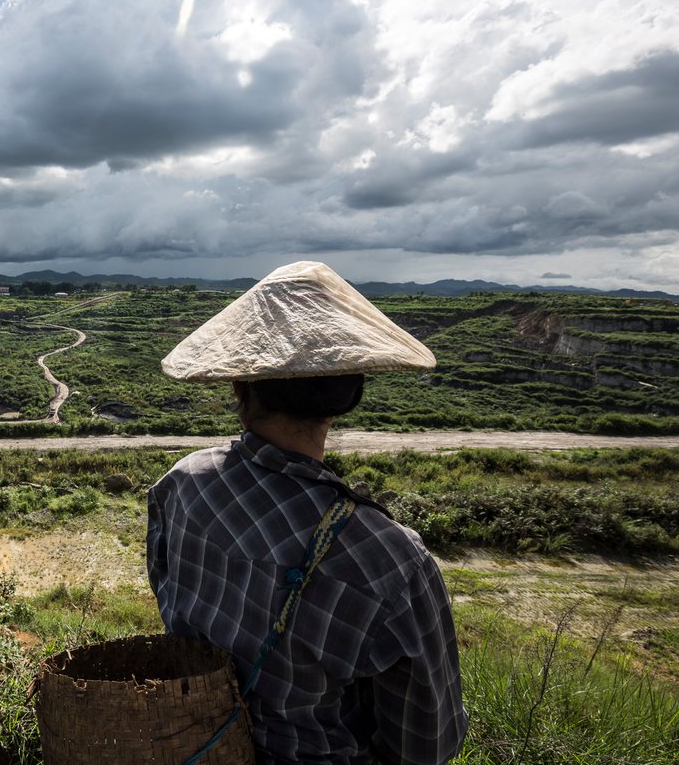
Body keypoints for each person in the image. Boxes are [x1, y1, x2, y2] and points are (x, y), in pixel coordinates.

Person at [147, 261, 467, 765]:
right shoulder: (389, 559)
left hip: (195, 746)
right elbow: (427, 746)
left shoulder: (182, 483)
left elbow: (169, 603)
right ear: (349, 396)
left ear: (240, 387)